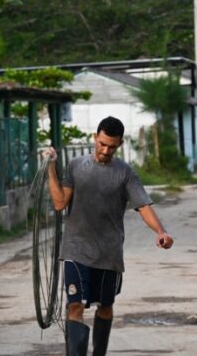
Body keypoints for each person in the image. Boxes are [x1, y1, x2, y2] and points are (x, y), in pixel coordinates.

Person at [44, 116, 174, 356]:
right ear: (95, 137)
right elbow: (60, 202)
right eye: (102, 143)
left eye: (111, 146)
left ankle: (99, 353)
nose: (105, 150)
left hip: (108, 253)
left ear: (120, 144)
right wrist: (51, 166)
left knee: (105, 306)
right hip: (76, 250)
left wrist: (161, 231)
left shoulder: (125, 174)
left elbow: (143, 206)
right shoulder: (75, 166)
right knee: (74, 305)